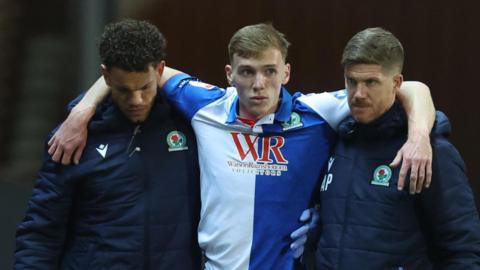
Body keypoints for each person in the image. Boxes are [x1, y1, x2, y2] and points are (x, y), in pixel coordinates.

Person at [48, 23, 436, 269]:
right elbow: (141, 68)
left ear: (286, 72)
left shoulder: (317, 111)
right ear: (229, 74)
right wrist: (82, 110)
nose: (259, 84)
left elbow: (413, 88)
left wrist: (418, 137)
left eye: (270, 72)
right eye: (247, 72)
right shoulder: (205, 105)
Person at [14, 20, 202, 269]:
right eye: (124, 90)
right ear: (106, 76)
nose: (136, 100)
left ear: (160, 71)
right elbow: (42, 229)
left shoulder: (192, 124)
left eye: (145, 88)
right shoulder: (71, 138)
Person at [315, 27, 480, 269]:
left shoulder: (429, 152)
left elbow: (462, 248)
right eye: (352, 81)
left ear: (397, 83)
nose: (358, 94)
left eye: (371, 82)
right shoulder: (337, 139)